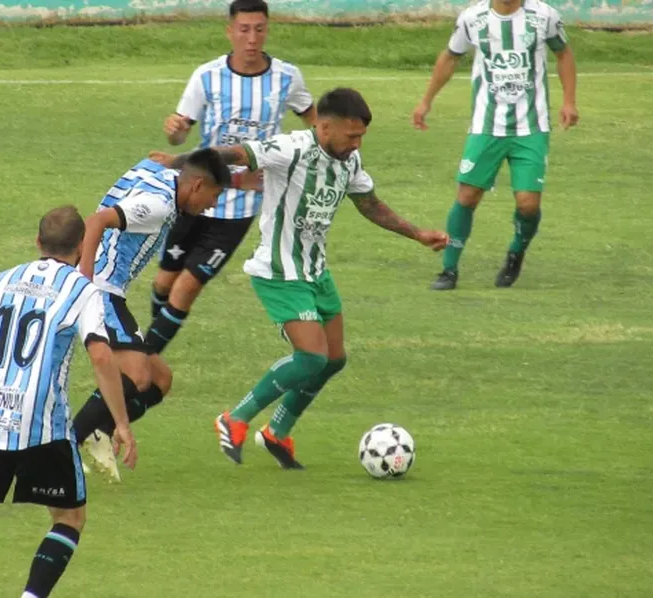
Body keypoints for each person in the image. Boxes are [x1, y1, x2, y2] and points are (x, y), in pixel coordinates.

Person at [153, 88, 448, 469]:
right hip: (278, 272)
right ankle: (235, 418)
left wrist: (417, 233)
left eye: (361, 136)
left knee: (334, 359)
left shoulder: (349, 160)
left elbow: (370, 204)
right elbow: (235, 154)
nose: (357, 143)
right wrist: (178, 161)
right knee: (311, 356)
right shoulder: (291, 148)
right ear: (324, 126)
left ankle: (278, 431)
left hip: (315, 271)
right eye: (351, 135)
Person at [0, 206, 136, 598]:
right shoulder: (82, 290)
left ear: (37, 242)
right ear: (82, 245)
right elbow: (102, 356)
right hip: (42, 423)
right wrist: (120, 422)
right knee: (70, 518)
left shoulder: (0, 281)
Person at [144, 0, 316, 356]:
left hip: (241, 205)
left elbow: (315, 124)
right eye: (244, 29)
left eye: (259, 29)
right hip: (193, 194)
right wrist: (174, 132)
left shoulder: (287, 77)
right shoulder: (206, 76)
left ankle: (144, 358)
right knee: (164, 282)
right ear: (230, 31)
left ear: (267, 30)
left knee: (187, 287)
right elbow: (179, 135)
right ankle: (151, 345)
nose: (251, 38)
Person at [70, 149, 234, 481]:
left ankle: (98, 430)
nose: (212, 205)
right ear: (197, 185)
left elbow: (158, 158)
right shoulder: (159, 205)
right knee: (139, 376)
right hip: (101, 289)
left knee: (160, 380)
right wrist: (83, 284)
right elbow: (96, 221)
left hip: (109, 292)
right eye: (213, 196)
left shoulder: (164, 174)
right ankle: (63, 450)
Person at [412, 0, 579, 290]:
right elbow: (450, 57)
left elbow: (563, 54)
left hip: (531, 126)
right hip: (486, 127)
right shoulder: (472, 19)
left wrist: (569, 101)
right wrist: (426, 101)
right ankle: (449, 270)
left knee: (528, 203)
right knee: (467, 195)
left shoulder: (544, 16)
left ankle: (516, 252)